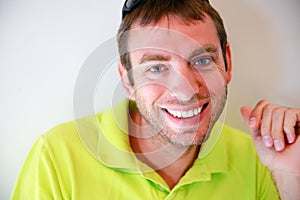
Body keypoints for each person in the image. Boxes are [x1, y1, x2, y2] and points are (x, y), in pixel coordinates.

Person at [12, 0, 300, 199]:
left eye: (201, 60)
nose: (186, 91)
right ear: (127, 79)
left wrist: (291, 179)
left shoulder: (261, 160)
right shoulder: (55, 157)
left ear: (228, 63)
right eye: (157, 67)